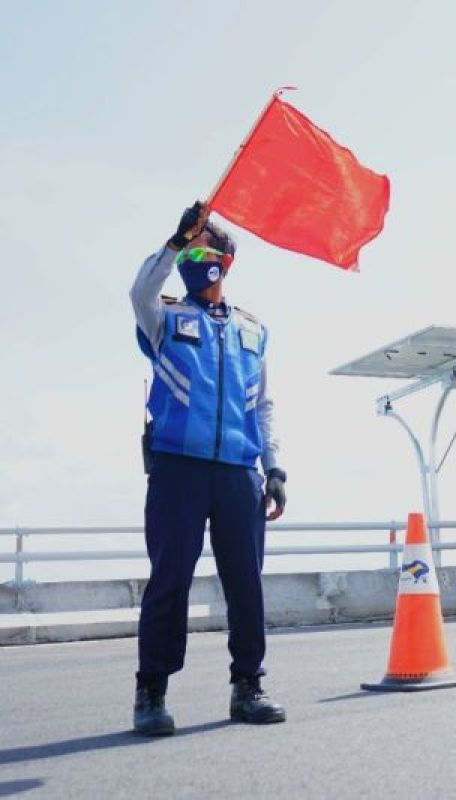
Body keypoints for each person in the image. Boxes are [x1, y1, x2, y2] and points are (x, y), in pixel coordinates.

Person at [129, 202, 288, 736]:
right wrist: (175, 240)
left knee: (246, 583)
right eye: (189, 253)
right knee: (169, 580)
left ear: (226, 262)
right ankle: (151, 691)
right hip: (178, 470)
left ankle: (248, 686)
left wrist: (275, 468)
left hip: (238, 474)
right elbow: (138, 294)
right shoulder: (166, 318)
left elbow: (262, 406)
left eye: (204, 252)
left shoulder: (253, 330)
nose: (195, 261)